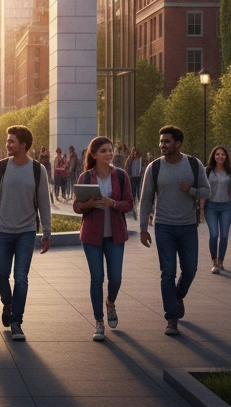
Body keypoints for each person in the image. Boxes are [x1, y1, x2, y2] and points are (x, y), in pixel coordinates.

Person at [139, 125, 210, 337]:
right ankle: (171, 318)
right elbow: (145, 200)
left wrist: (192, 190)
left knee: (190, 269)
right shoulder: (155, 167)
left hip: (188, 226)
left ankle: (177, 296)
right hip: (164, 227)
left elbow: (207, 190)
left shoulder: (193, 164)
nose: (162, 145)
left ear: (178, 143)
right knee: (167, 272)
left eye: (166, 142)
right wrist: (143, 229)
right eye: (161, 141)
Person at [0, 125, 52, 342]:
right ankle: (8, 303)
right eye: (7, 140)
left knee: (21, 277)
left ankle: (16, 322)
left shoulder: (37, 170)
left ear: (23, 145)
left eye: (12, 141)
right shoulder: (0, 168)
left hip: (26, 232)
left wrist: (47, 233)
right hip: (3, 231)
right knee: (2, 274)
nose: (7, 144)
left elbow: (44, 203)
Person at [75, 137, 133, 342]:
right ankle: (98, 322)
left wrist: (113, 204)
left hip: (115, 234)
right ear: (94, 155)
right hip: (92, 236)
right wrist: (89, 203)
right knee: (96, 278)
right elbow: (76, 207)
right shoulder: (85, 177)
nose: (109, 154)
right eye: (104, 151)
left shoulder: (121, 175)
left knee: (115, 278)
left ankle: (110, 303)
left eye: (110, 150)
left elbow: (129, 204)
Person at [200, 145, 231, 274]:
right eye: (217, 154)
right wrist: (201, 209)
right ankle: (214, 261)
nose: (220, 156)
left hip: (226, 207)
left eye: (223, 154)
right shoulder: (207, 171)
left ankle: (220, 261)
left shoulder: (230, 172)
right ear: (213, 156)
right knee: (214, 234)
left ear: (226, 157)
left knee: (224, 236)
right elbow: (202, 190)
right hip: (211, 206)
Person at [124, 147, 145, 213]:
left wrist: (142, 173)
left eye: (135, 151)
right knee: (133, 191)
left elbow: (144, 166)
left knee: (139, 190)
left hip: (139, 177)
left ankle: (140, 204)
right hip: (132, 177)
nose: (134, 153)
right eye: (133, 151)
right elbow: (126, 166)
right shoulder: (130, 159)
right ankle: (133, 205)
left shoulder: (141, 158)